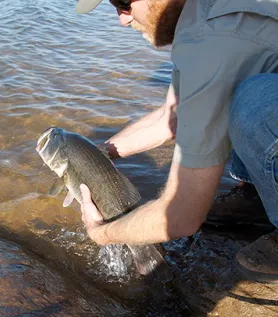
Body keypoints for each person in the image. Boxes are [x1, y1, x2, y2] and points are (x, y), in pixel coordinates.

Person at [75, 0, 278, 283]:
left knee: (253, 100)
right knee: (230, 99)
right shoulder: (196, 19)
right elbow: (172, 116)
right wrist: (96, 155)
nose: (122, 20)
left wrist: (102, 233)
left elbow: (181, 215)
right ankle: (256, 198)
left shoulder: (210, 41)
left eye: (123, 3)